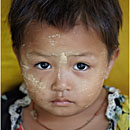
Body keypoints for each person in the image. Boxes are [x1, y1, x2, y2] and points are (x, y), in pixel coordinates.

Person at [2, 0, 129, 130]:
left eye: (81, 66)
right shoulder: (5, 114)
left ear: (110, 62)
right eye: (44, 65)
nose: (61, 85)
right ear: (19, 58)